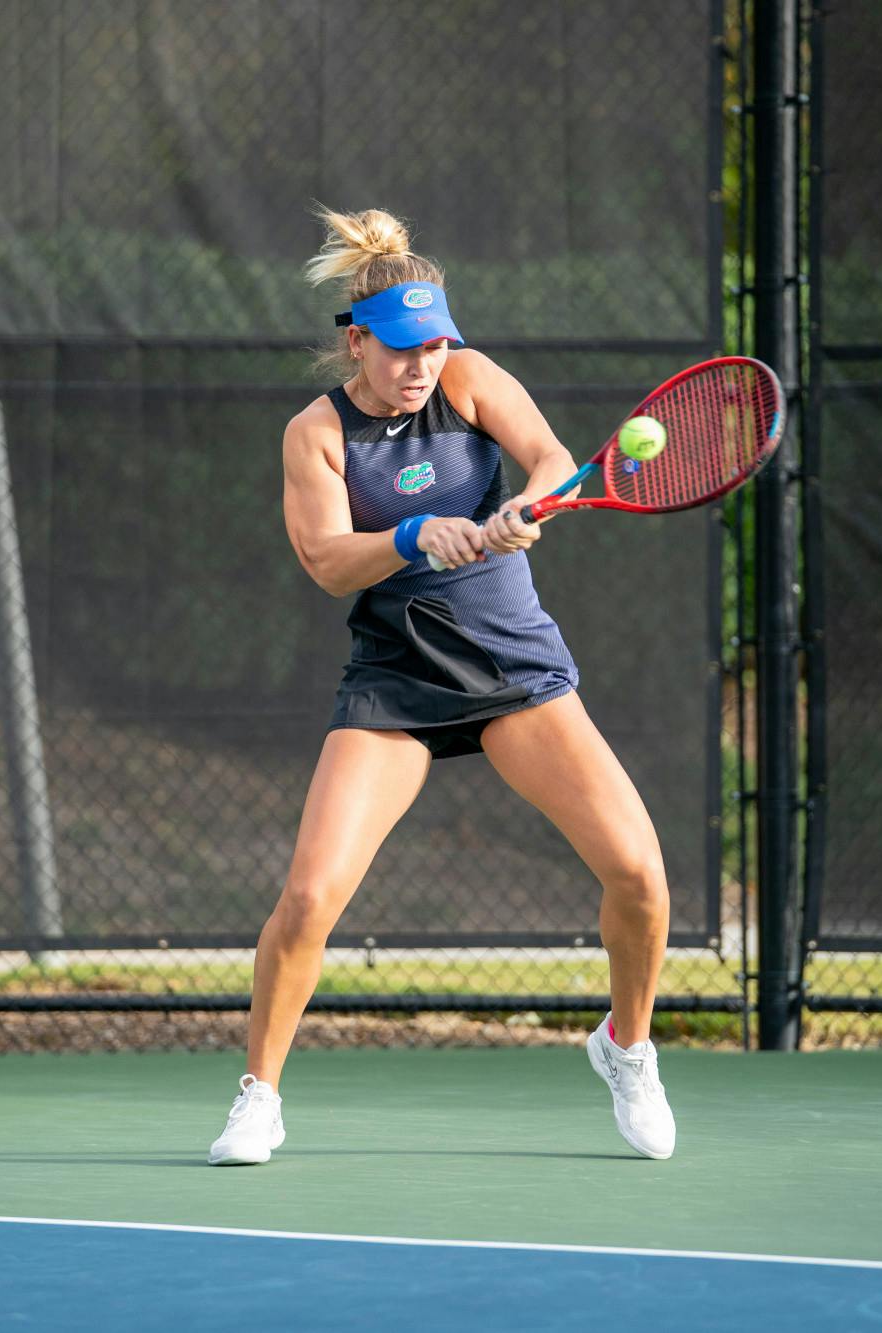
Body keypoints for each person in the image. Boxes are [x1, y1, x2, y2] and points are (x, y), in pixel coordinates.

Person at [208, 207, 676, 1165]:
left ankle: (627, 1049)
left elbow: (551, 459)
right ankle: (259, 1095)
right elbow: (331, 563)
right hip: (397, 680)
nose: (422, 363)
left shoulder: (467, 380)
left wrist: (521, 505)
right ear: (357, 343)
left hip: (513, 665)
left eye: (435, 344)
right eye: (401, 348)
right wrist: (416, 535)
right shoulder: (315, 435)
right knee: (308, 898)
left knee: (639, 873)